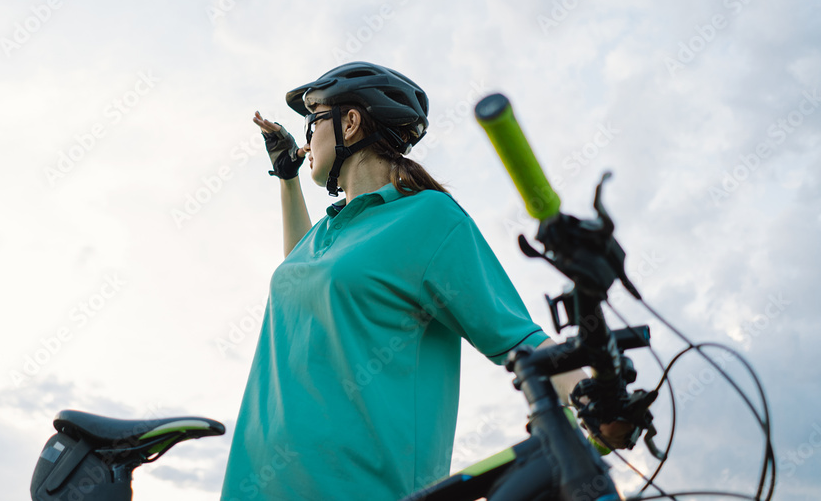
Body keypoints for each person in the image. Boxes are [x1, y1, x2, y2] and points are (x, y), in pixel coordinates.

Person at [220, 62, 626, 501]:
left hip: (360, 489)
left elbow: (516, 335)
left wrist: (597, 401)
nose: (305, 139)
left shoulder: (429, 218)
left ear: (350, 123)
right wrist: (287, 178)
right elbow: (303, 279)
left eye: (312, 121)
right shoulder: (325, 235)